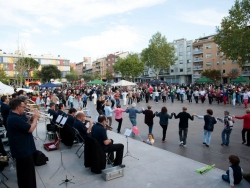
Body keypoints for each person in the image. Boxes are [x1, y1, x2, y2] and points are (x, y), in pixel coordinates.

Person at [7, 98, 40, 188]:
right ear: (18, 107)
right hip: (23, 151)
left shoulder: (15, 117)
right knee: (27, 177)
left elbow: (26, 124)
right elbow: (30, 129)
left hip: (23, 150)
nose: (24, 109)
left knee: (25, 175)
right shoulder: (14, 118)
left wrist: (33, 119)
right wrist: (35, 119)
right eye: (23, 107)